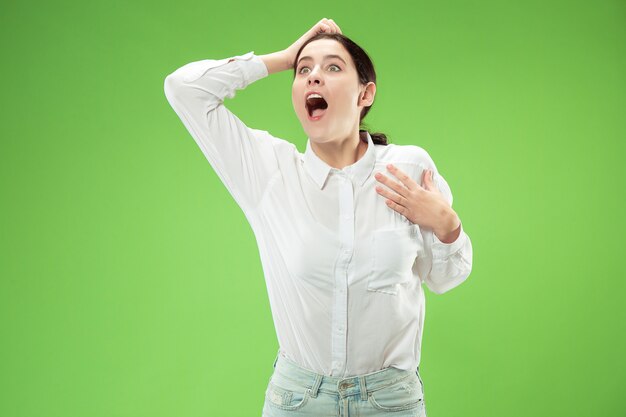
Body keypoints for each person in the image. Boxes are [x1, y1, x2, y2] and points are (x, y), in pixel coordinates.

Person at [164, 18, 473, 417]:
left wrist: (447, 225)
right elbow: (183, 89)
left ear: (366, 93)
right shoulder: (268, 171)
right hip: (298, 400)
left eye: (332, 68)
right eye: (304, 70)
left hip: (390, 400)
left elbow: (446, 278)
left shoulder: (408, 169)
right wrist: (282, 57)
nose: (312, 78)